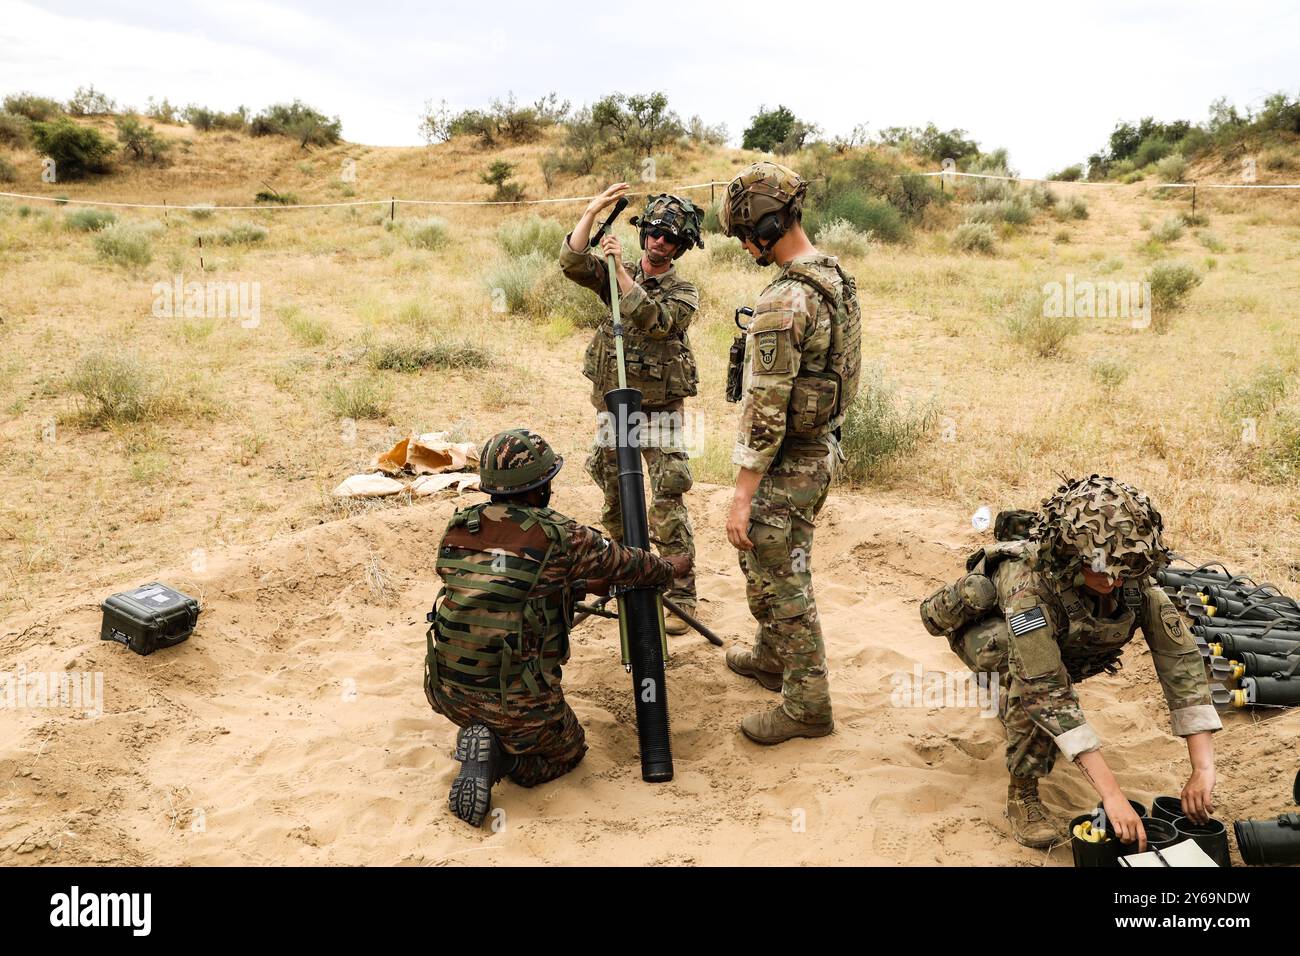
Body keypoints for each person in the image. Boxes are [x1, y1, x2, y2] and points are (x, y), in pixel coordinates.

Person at [921, 474, 1221, 848]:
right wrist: (1112, 795)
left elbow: (1181, 664)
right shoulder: (1028, 585)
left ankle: (1010, 706)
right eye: (1099, 567)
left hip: (1058, 647)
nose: (1112, 581)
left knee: (1044, 682)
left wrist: (1203, 767)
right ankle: (1023, 794)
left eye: (1121, 568)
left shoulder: (1131, 577)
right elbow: (1045, 690)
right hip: (988, 636)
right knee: (1025, 684)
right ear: (1069, 553)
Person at [423, 428, 689, 827]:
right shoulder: (561, 535)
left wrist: (571, 584)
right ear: (541, 486)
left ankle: (483, 734)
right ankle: (501, 756)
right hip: (519, 704)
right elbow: (631, 565)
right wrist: (672, 568)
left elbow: (505, 580)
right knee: (565, 754)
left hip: (446, 692)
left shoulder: (462, 525)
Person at [717, 161, 862, 745]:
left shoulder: (785, 301)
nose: (744, 245)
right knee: (770, 563)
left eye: (744, 233)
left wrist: (741, 495)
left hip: (790, 458)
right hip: (821, 448)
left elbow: (766, 409)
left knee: (781, 575)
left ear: (763, 226)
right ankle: (774, 657)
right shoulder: (834, 276)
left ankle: (807, 704)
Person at [560, 184, 704, 634]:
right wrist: (590, 212)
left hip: (658, 410)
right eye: (655, 232)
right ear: (644, 233)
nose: (660, 241)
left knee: (666, 500)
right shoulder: (608, 269)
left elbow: (656, 321)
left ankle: (680, 590)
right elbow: (570, 262)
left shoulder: (683, 291)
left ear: (680, 246)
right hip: (614, 409)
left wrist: (622, 270)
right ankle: (624, 576)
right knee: (615, 498)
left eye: (670, 238)